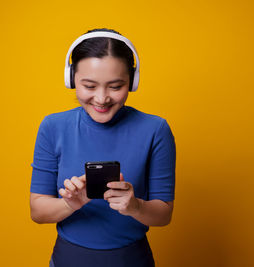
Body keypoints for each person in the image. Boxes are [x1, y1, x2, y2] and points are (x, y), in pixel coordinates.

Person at [29, 28, 176, 267]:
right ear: (71, 79)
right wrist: (69, 203)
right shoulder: (53, 126)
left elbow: (164, 214)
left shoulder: (156, 130)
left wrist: (135, 206)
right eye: (89, 86)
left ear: (133, 82)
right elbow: (37, 211)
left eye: (116, 86)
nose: (102, 98)